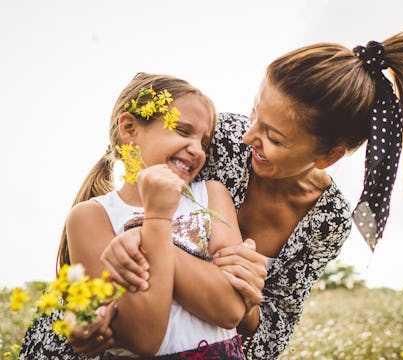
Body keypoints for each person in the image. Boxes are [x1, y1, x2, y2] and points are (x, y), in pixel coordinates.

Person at [97, 30, 403, 359]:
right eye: (254, 114)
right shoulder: (219, 142)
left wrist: (247, 302)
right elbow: (133, 196)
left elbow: (274, 331)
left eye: (274, 138)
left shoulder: (328, 221)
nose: (249, 137)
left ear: (328, 157)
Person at [19, 73, 254, 359]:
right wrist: (156, 218)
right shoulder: (91, 217)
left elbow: (229, 310)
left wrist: (146, 239)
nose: (197, 150)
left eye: (204, 142)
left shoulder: (212, 195)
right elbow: (143, 338)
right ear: (129, 129)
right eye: (182, 130)